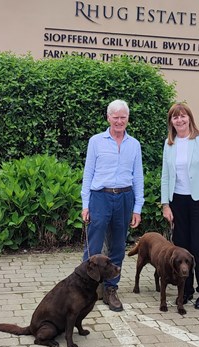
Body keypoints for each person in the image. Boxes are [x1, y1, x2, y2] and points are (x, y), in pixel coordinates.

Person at [81, 99, 144, 312]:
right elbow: (88, 173)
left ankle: (110, 289)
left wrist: (138, 207)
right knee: (93, 245)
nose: (119, 121)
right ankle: (84, 289)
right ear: (108, 118)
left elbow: (138, 178)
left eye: (123, 117)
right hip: (100, 196)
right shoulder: (96, 141)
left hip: (125, 198)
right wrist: (85, 203)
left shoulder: (134, 144)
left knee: (118, 245)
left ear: (128, 119)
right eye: (115, 117)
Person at [160, 102, 199, 310]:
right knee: (181, 248)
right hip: (177, 201)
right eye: (175, 117)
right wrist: (165, 204)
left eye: (183, 116)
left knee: (198, 248)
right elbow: (165, 176)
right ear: (171, 122)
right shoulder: (169, 144)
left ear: (189, 118)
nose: (180, 120)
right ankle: (186, 291)